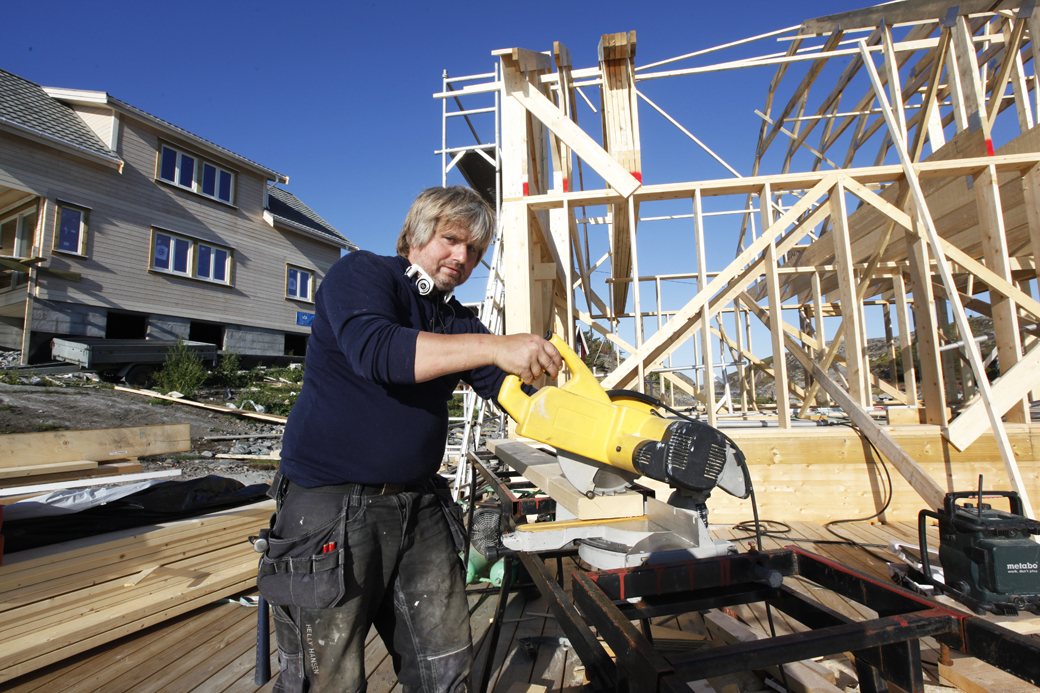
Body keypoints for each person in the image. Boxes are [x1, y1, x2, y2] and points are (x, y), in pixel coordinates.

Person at [258, 186, 562, 693]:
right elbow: (379, 351)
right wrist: (495, 345)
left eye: (475, 252)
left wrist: (556, 385)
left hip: (418, 505)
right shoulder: (363, 274)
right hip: (331, 509)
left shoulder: (454, 317)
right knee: (328, 678)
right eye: (451, 240)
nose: (462, 258)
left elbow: (509, 390)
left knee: (444, 667)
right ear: (417, 235)